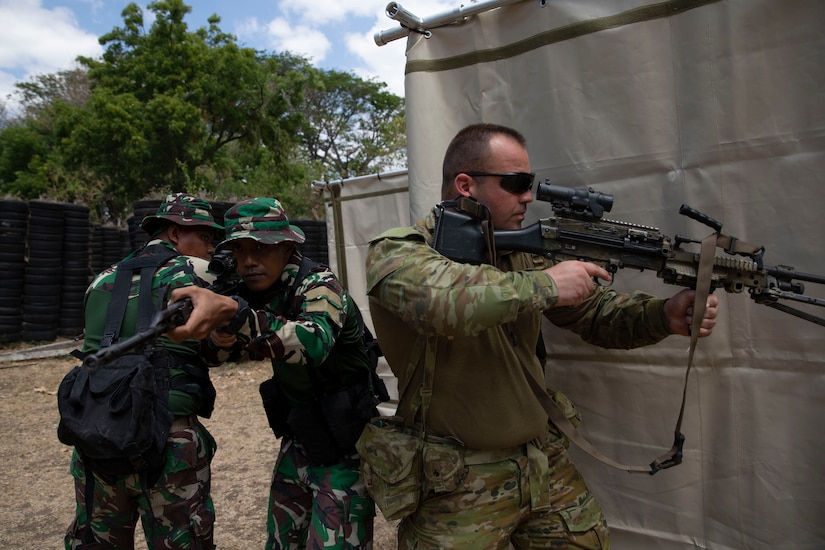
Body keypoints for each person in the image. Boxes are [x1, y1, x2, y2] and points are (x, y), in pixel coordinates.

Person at [362, 123, 720, 549]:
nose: (528, 197)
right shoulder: (400, 252)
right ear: (466, 185)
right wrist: (547, 284)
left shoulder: (523, 255)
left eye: (529, 184)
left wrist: (664, 315)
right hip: (455, 481)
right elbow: (446, 304)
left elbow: (594, 314)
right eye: (516, 184)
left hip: (541, 462)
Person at [174, 197, 378, 549]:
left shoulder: (318, 285)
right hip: (302, 433)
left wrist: (238, 317)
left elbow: (313, 342)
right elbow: (217, 355)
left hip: (348, 440)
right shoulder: (251, 292)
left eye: (261, 249)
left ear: (286, 247)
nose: (249, 261)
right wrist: (223, 329)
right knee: (281, 542)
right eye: (239, 250)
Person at [64, 193, 225, 549]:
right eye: (207, 237)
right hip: (167, 440)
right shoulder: (196, 273)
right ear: (174, 233)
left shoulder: (100, 280)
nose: (213, 248)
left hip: (97, 437)